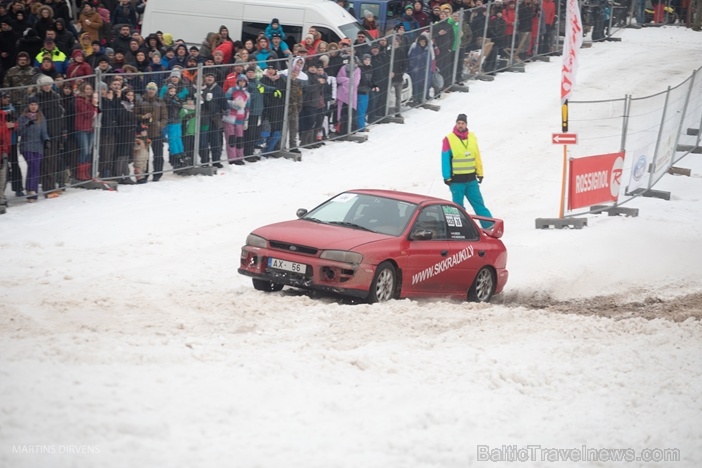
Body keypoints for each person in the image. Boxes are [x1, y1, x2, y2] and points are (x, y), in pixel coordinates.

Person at [441, 113, 493, 227]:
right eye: (458, 123)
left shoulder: (472, 137)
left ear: (466, 124)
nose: (460, 125)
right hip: (456, 181)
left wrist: (480, 172)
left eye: (462, 123)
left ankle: (490, 226)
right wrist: (446, 177)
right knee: (458, 207)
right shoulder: (448, 139)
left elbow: (477, 156)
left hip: (471, 179)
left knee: (479, 204)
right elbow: (445, 159)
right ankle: (460, 228)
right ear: (456, 124)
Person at [17, 94, 50, 202]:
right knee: (33, 165)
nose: (33, 106)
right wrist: (27, 124)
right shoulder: (23, 117)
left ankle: (31, 190)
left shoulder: (41, 117)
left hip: (38, 146)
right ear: (28, 105)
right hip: (26, 146)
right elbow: (19, 132)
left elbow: (44, 131)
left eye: (35, 104)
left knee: (34, 168)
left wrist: (46, 140)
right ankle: (31, 191)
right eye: (31, 104)